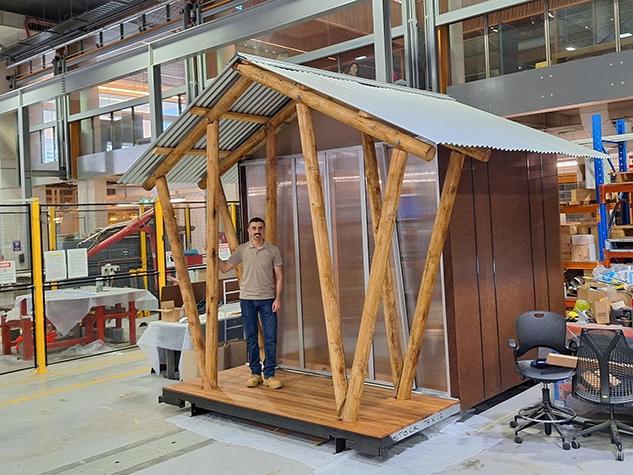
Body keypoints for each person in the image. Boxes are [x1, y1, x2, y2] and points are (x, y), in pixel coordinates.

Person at [219, 217, 284, 389]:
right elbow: (225, 268)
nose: (257, 231)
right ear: (248, 230)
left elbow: (279, 276)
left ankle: (269, 375)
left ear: (264, 230)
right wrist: (212, 254)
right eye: (253, 228)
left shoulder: (273, 250)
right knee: (251, 338)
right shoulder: (242, 250)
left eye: (260, 228)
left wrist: (278, 298)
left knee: (270, 338)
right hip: (247, 299)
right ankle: (255, 373)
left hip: (268, 299)